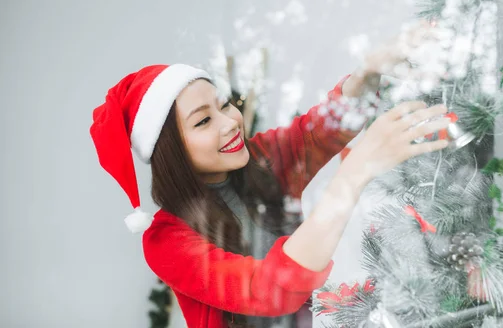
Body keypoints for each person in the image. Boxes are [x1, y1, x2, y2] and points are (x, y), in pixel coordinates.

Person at [90, 56, 450, 327]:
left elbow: (318, 130)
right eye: (203, 121)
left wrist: (367, 73)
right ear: (172, 151)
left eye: (224, 104)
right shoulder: (166, 240)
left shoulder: (259, 159)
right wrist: (353, 175)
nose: (230, 122)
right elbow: (267, 289)